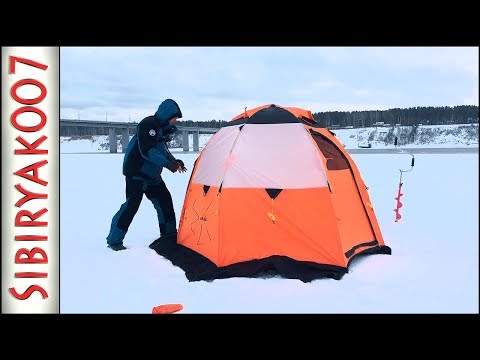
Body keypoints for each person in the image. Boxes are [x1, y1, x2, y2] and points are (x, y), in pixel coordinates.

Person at [106, 99, 187, 251]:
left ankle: (169, 235)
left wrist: (174, 161)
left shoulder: (162, 130)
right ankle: (114, 240)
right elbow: (148, 151)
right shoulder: (148, 125)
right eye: (175, 117)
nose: (175, 121)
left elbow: (163, 150)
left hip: (152, 176)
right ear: (168, 114)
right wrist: (167, 164)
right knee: (131, 205)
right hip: (136, 173)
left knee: (165, 202)